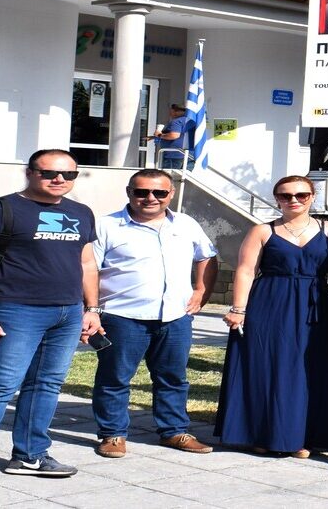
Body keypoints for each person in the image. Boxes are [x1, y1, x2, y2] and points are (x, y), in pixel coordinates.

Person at [0, 149, 101, 495]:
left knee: (46, 385)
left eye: (68, 174)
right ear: (30, 172)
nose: (59, 179)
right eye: (49, 172)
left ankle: (31, 455)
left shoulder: (81, 212)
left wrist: (92, 309)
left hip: (67, 313)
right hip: (16, 311)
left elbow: (87, 264)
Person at [216, 176, 328, 457]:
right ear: (277, 199)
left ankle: (305, 436)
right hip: (270, 304)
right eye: (286, 196)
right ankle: (263, 435)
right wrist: (238, 309)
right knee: (269, 367)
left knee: (311, 369)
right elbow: (246, 270)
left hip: (317, 307)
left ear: (313, 196)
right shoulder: (262, 230)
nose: (294, 200)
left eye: (301, 195)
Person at [91, 169, 218, 458]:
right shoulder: (106, 225)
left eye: (159, 192)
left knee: (173, 378)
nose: (151, 198)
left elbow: (207, 256)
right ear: (129, 192)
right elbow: (88, 270)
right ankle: (112, 434)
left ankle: (174, 431)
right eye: (142, 192)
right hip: (122, 317)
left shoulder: (185, 224)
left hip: (174, 317)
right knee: (114, 378)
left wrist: (201, 291)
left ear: (170, 194)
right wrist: (91, 310)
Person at [153, 104, 189, 169]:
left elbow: (174, 135)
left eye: (171, 111)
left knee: (169, 174)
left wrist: (159, 135)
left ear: (176, 111)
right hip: (188, 155)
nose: (170, 114)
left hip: (173, 155)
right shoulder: (190, 121)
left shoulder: (177, 121)